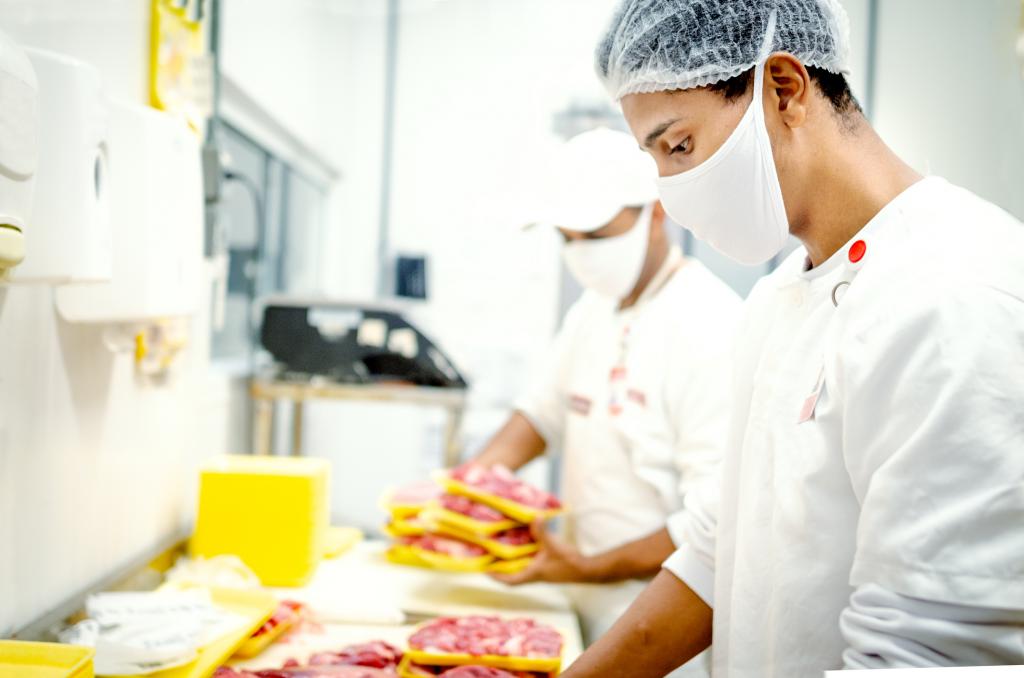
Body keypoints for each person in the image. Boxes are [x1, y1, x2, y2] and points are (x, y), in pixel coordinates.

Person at [560, 1, 1024, 676]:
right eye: (655, 158)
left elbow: (926, 654)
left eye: (679, 145)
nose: (672, 187)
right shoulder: (781, 298)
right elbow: (721, 549)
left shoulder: (956, 296)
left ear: (783, 88)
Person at [473, 128, 741, 674]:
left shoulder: (712, 326)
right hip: (580, 600)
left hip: (661, 625)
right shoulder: (593, 310)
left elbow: (712, 522)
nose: (580, 255)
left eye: (595, 235)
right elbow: (540, 414)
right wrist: (471, 487)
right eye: (565, 239)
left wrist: (591, 566)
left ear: (656, 215)